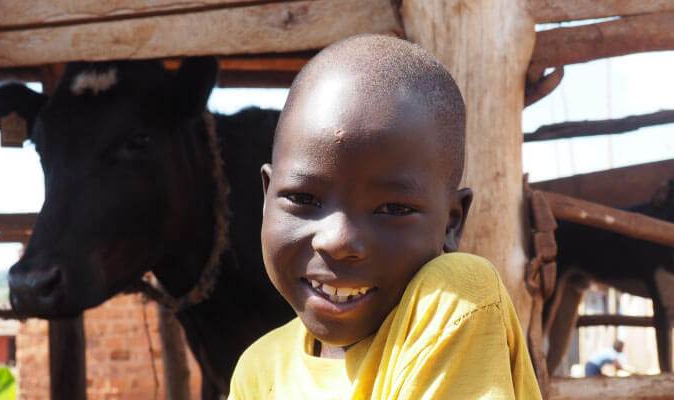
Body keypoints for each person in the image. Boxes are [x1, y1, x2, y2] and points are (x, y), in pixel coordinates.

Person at [228, 34, 541, 399]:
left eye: (393, 209)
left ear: (452, 222)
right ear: (267, 197)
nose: (337, 240)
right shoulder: (260, 369)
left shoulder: (458, 298)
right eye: (303, 198)